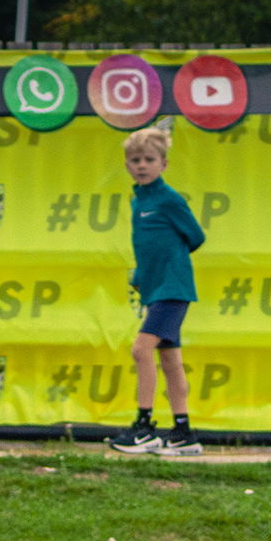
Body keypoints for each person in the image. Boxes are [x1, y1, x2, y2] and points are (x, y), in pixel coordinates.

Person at [107, 123, 204, 460]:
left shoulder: (168, 199)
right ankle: (183, 433)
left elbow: (195, 236)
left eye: (149, 159)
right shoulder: (139, 201)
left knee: (140, 350)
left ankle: (145, 426)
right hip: (155, 290)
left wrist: (170, 265)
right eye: (135, 160)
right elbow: (149, 245)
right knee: (171, 360)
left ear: (164, 164)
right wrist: (142, 274)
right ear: (127, 165)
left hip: (172, 289)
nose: (142, 166)